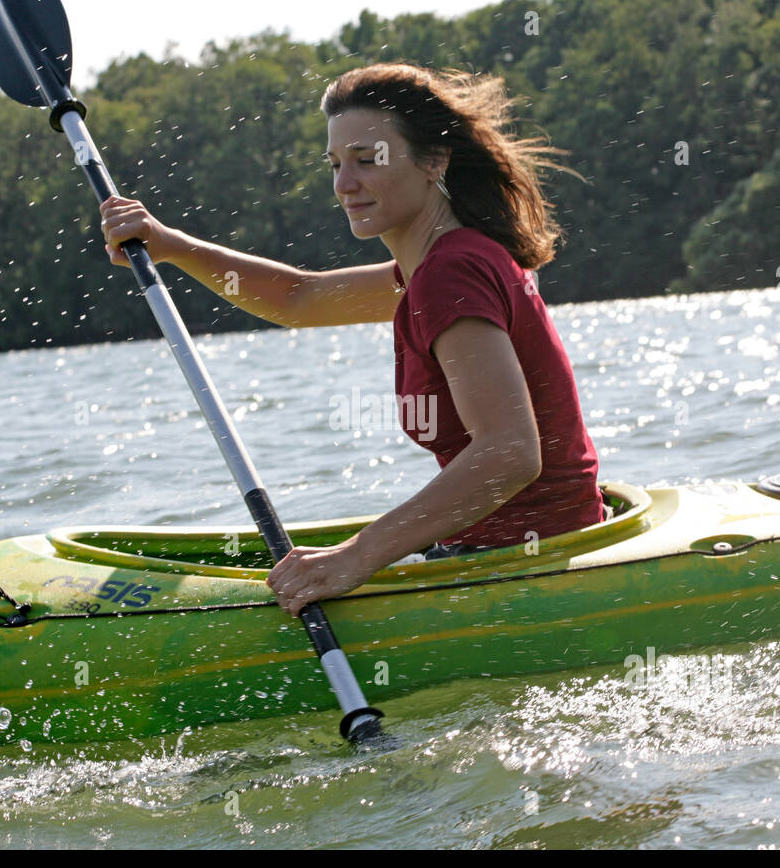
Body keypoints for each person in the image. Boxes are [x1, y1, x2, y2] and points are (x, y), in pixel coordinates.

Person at [99, 63, 605, 618]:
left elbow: (510, 454)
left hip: (523, 565)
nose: (344, 184)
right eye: (337, 164)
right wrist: (168, 244)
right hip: (509, 549)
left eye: (368, 161)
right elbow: (297, 299)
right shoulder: (440, 263)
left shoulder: (450, 273)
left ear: (434, 160)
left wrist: (354, 558)